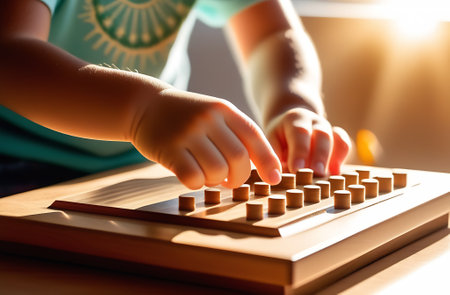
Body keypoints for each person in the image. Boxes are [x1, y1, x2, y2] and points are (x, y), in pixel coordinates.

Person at [0, 0, 351, 196]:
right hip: (16, 170)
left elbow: (274, 33)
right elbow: (10, 53)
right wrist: (141, 111)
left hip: (141, 168)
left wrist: (292, 103)